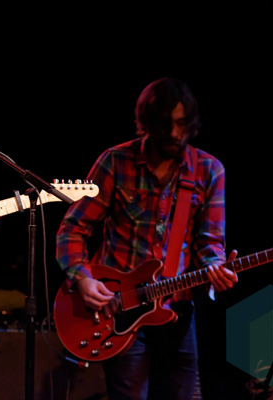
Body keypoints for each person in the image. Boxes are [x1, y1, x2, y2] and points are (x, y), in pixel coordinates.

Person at [56, 77, 238, 400]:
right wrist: (82, 279)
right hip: (118, 309)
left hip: (176, 311)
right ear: (146, 123)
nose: (174, 134)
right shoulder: (115, 162)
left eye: (182, 124)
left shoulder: (209, 170)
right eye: (165, 124)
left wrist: (215, 267)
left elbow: (210, 242)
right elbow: (73, 228)